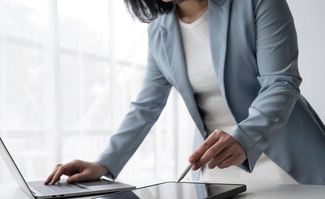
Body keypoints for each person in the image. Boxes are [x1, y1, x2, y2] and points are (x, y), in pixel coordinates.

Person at [45, 0, 325, 186]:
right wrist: (103, 163)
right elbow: (146, 106)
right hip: (219, 170)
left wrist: (244, 138)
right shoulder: (159, 30)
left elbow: (281, 82)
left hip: (289, 161)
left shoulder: (257, 2)